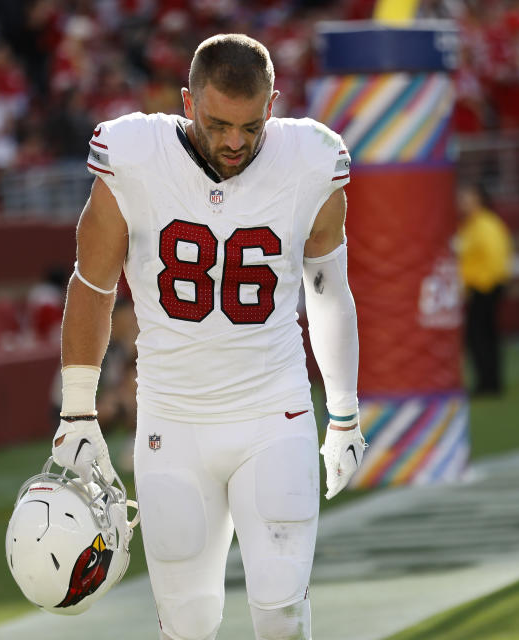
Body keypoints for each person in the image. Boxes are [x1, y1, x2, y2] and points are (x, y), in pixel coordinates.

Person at [48, 34, 364, 640]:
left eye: (249, 126)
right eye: (218, 123)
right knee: (187, 626)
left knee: (281, 617)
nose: (234, 142)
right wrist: (79, 412)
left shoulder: (310, 159)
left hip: (275, 410)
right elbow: (92, 282)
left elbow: (330, 292)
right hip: (172, 418)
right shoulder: (134, 155)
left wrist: (345, 412)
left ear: (272, 104)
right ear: (188, 101)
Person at [455, 183, 512, 397]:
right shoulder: (470, 225)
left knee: (481, 336)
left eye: (466, 198)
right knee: (479, 337)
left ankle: (490, 382)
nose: (462, 202)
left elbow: (495, 258)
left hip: (484, 287)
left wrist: (483, 284)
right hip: (477, 288)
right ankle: (488, 380)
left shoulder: (485, 224)